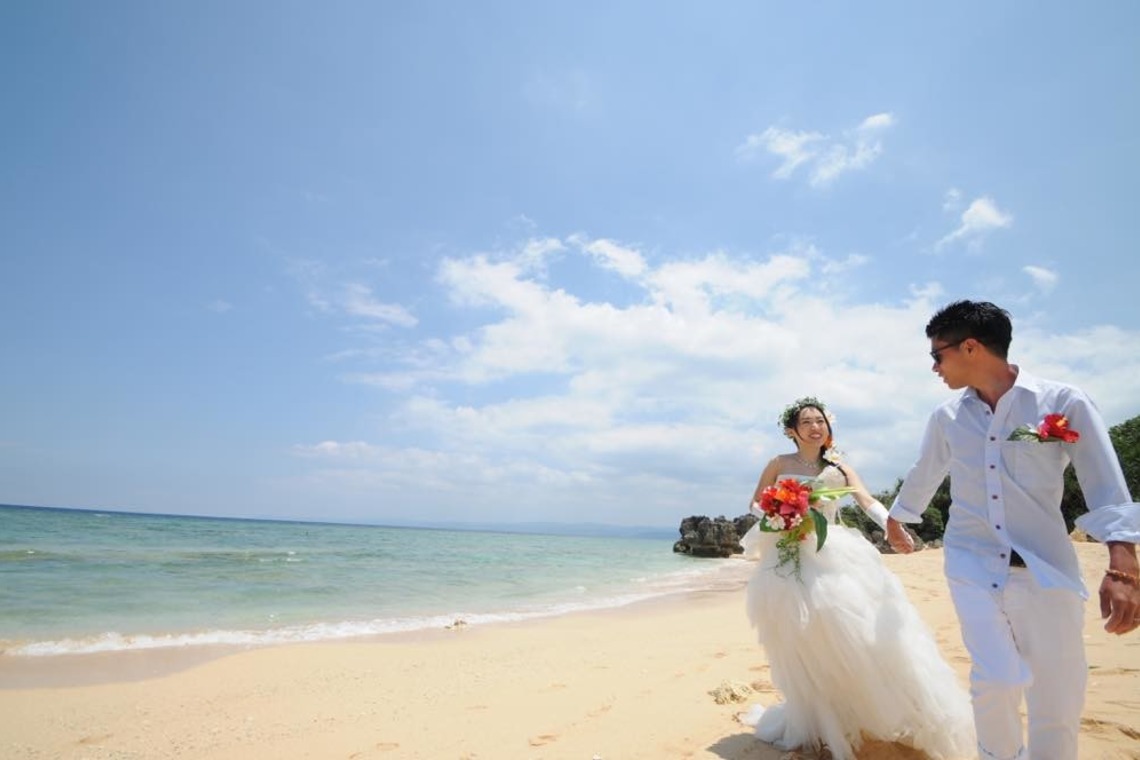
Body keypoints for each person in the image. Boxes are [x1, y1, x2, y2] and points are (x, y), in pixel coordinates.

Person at [885, 299, 1140, 760]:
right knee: (997, 679)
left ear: (970, 348)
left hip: (1047, 566)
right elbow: (926, 470)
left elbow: (1104, 481)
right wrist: (898, 517)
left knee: (1057, 694)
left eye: (937, 355)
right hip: (970, 562)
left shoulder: (1063, 403)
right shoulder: (946, 417)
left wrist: (1123, 566)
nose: (934, 367)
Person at [740, 396, 975, 760]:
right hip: (788, 556)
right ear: (792, 431)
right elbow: (755, 503)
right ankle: (817, 720)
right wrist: (781, 513)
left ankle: (855, 710)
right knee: (801, 641)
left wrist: (893, 526)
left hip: (831, 553)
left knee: (847, 633)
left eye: (820, 421)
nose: (815, 427)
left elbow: (865, 500)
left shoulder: (839, 466)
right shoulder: (779, 464)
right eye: (807, 422)